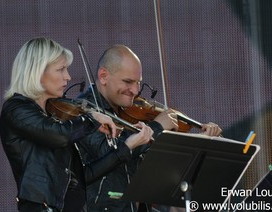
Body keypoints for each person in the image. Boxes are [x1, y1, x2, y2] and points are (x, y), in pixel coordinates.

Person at [0, 38, 153, 212]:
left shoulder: (53, 114)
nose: (68, 76)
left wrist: (126, 147)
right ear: (38, 72)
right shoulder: (16, 108)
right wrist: (92, 118)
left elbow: (83, 177)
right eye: (61, 69)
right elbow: (58, 135)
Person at [76, 44, 222, 211]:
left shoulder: (124, 111)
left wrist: (201, 140)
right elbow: (109, 151)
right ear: (103, 76)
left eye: (139, 83)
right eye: (128, 81)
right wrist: (158, 126)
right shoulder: (83, 110)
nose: (136, 90)